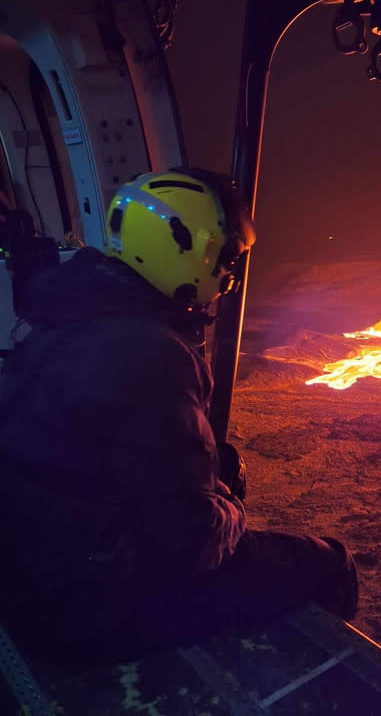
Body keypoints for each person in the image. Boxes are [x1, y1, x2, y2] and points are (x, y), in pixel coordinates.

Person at [0, 169, 358, 663]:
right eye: (226, 259)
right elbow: (187, 545)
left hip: (33, 571)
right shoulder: (151, 351)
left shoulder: (67, 317)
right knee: (328, 562)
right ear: (187, 250)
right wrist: (229, 508)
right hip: (85, 607)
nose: (228, 277)